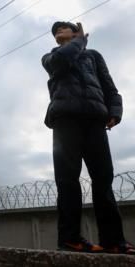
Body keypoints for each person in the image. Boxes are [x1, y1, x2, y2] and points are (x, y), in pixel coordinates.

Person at [41, 21, 134, 254]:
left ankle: (113, 240)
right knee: (67, 180)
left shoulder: (93, 56)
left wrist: (115, 111)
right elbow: (62, 62)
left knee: (103, 179)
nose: (57, 31)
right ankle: (70, 238)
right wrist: (80, 41)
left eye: (63, 27)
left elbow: (109, 86)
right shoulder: (50, 58)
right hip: (65, 120)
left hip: (94, 121)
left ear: (75, 31)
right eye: (55, 31)